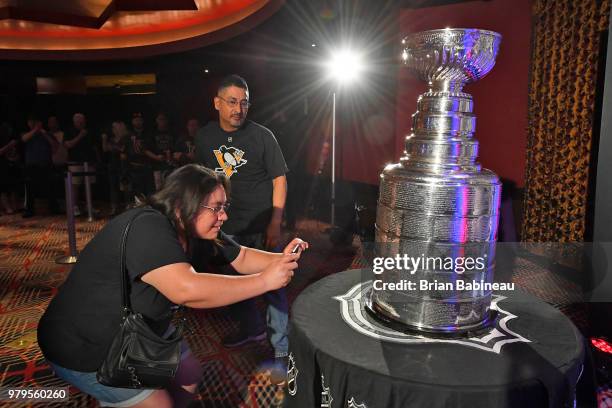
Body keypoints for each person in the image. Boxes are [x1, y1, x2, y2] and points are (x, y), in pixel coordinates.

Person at [37, 164, 308, 408]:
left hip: (140, 330)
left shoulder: (194, 229)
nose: (223, 216)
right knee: (158, 404)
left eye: (224, 207)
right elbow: (186, 289)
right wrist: (264, 281)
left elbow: (243, 257)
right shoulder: (149, 226)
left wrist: (283, 258)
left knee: (188, 374)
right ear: (182, 204)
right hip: (85, 344)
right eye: (216, 208)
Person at [195, 75, 290, 377]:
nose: (239, 109)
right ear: (217, 103)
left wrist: (275, 221)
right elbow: (202, 180)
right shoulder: (204, 137)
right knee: (234, 283)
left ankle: (282, 349)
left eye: (244, 102)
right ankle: (251, 329)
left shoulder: (263, 136)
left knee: (274, 284)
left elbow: (280, 179)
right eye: (233, 102)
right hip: (225, 226)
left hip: (261, 224)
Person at [21, 115, 59, 217]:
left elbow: (55, 147)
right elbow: (23, 139)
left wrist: (44, 133)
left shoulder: (48, 134)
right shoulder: (26, 134)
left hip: (46, 164)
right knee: (30, 189)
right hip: (31, 165)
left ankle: (54, 208)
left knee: (51, 187)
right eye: (31, 122)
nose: (33, 124)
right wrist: (35, 130)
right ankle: (29, 210)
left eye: (35, 122)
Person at [65, 113, 97, 216]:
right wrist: (80, 136)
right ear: (74, 122)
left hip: (89, 162)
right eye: (78, 121)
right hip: (75, 162)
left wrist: (96, 160)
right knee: (75, 185)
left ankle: (89, 206)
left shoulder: (89, 131)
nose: (81, 123)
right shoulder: (69, 131)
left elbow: (94, 146)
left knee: (89, 185)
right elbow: (68, 145)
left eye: (82, 121)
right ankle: (74, 207)